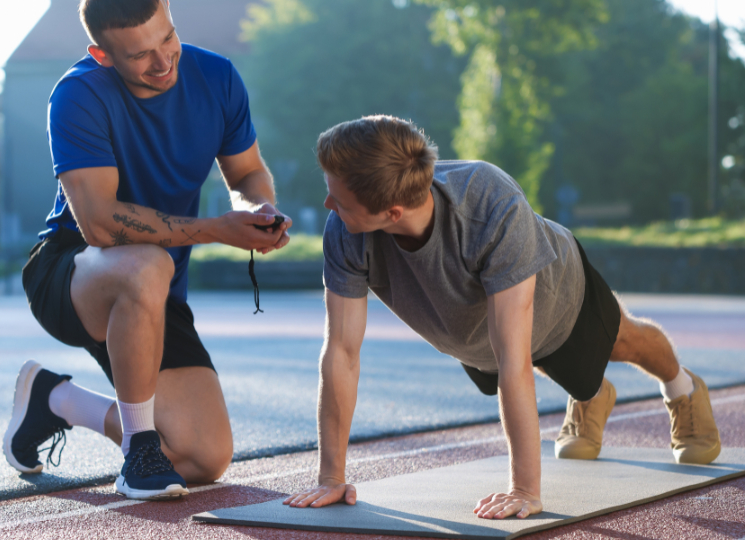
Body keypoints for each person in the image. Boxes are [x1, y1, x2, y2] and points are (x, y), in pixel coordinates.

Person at [283, 115, 721, 519]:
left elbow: (514, 358)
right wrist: (331, 478)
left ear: (392, 213)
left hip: (559, 294)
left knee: (624, 342)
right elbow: (341, 350)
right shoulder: (346, 227)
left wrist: (524, 489)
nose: (327, 204)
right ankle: (590, 393)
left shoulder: (490, 203)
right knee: (539, 361)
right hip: (470, 329)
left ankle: (682, 389)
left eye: (337, 197)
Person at [4, 0, 291, 501]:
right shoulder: (76, 95)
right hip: (73, 272)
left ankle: (55, 399)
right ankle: (140, 450)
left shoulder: (217, 77)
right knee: (147, 263)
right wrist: (217, 230)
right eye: (140, 55)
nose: (163, 62)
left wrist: (258, 207)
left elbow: (246, 172)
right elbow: (97, 223)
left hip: (155, 288)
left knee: (204, 457)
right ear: (102, 55)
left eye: (167, 39)